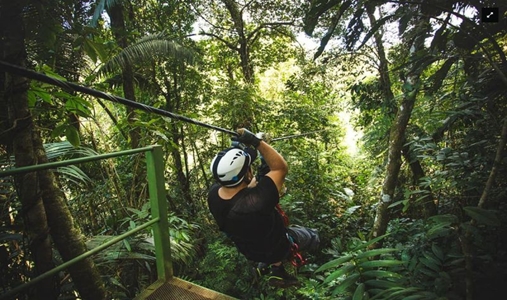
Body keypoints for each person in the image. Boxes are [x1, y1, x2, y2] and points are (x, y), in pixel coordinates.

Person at [207, 128, 319, 288]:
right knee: (312, 235)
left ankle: (276, 268)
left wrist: (237, 147)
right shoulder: (258, 202)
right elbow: (279, 168)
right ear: (246, 174)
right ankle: (302, 256)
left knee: (264, 240)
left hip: (250, 250)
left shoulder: (213, 195)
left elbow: (242, 189)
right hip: (277, 246)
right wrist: (257, 142)